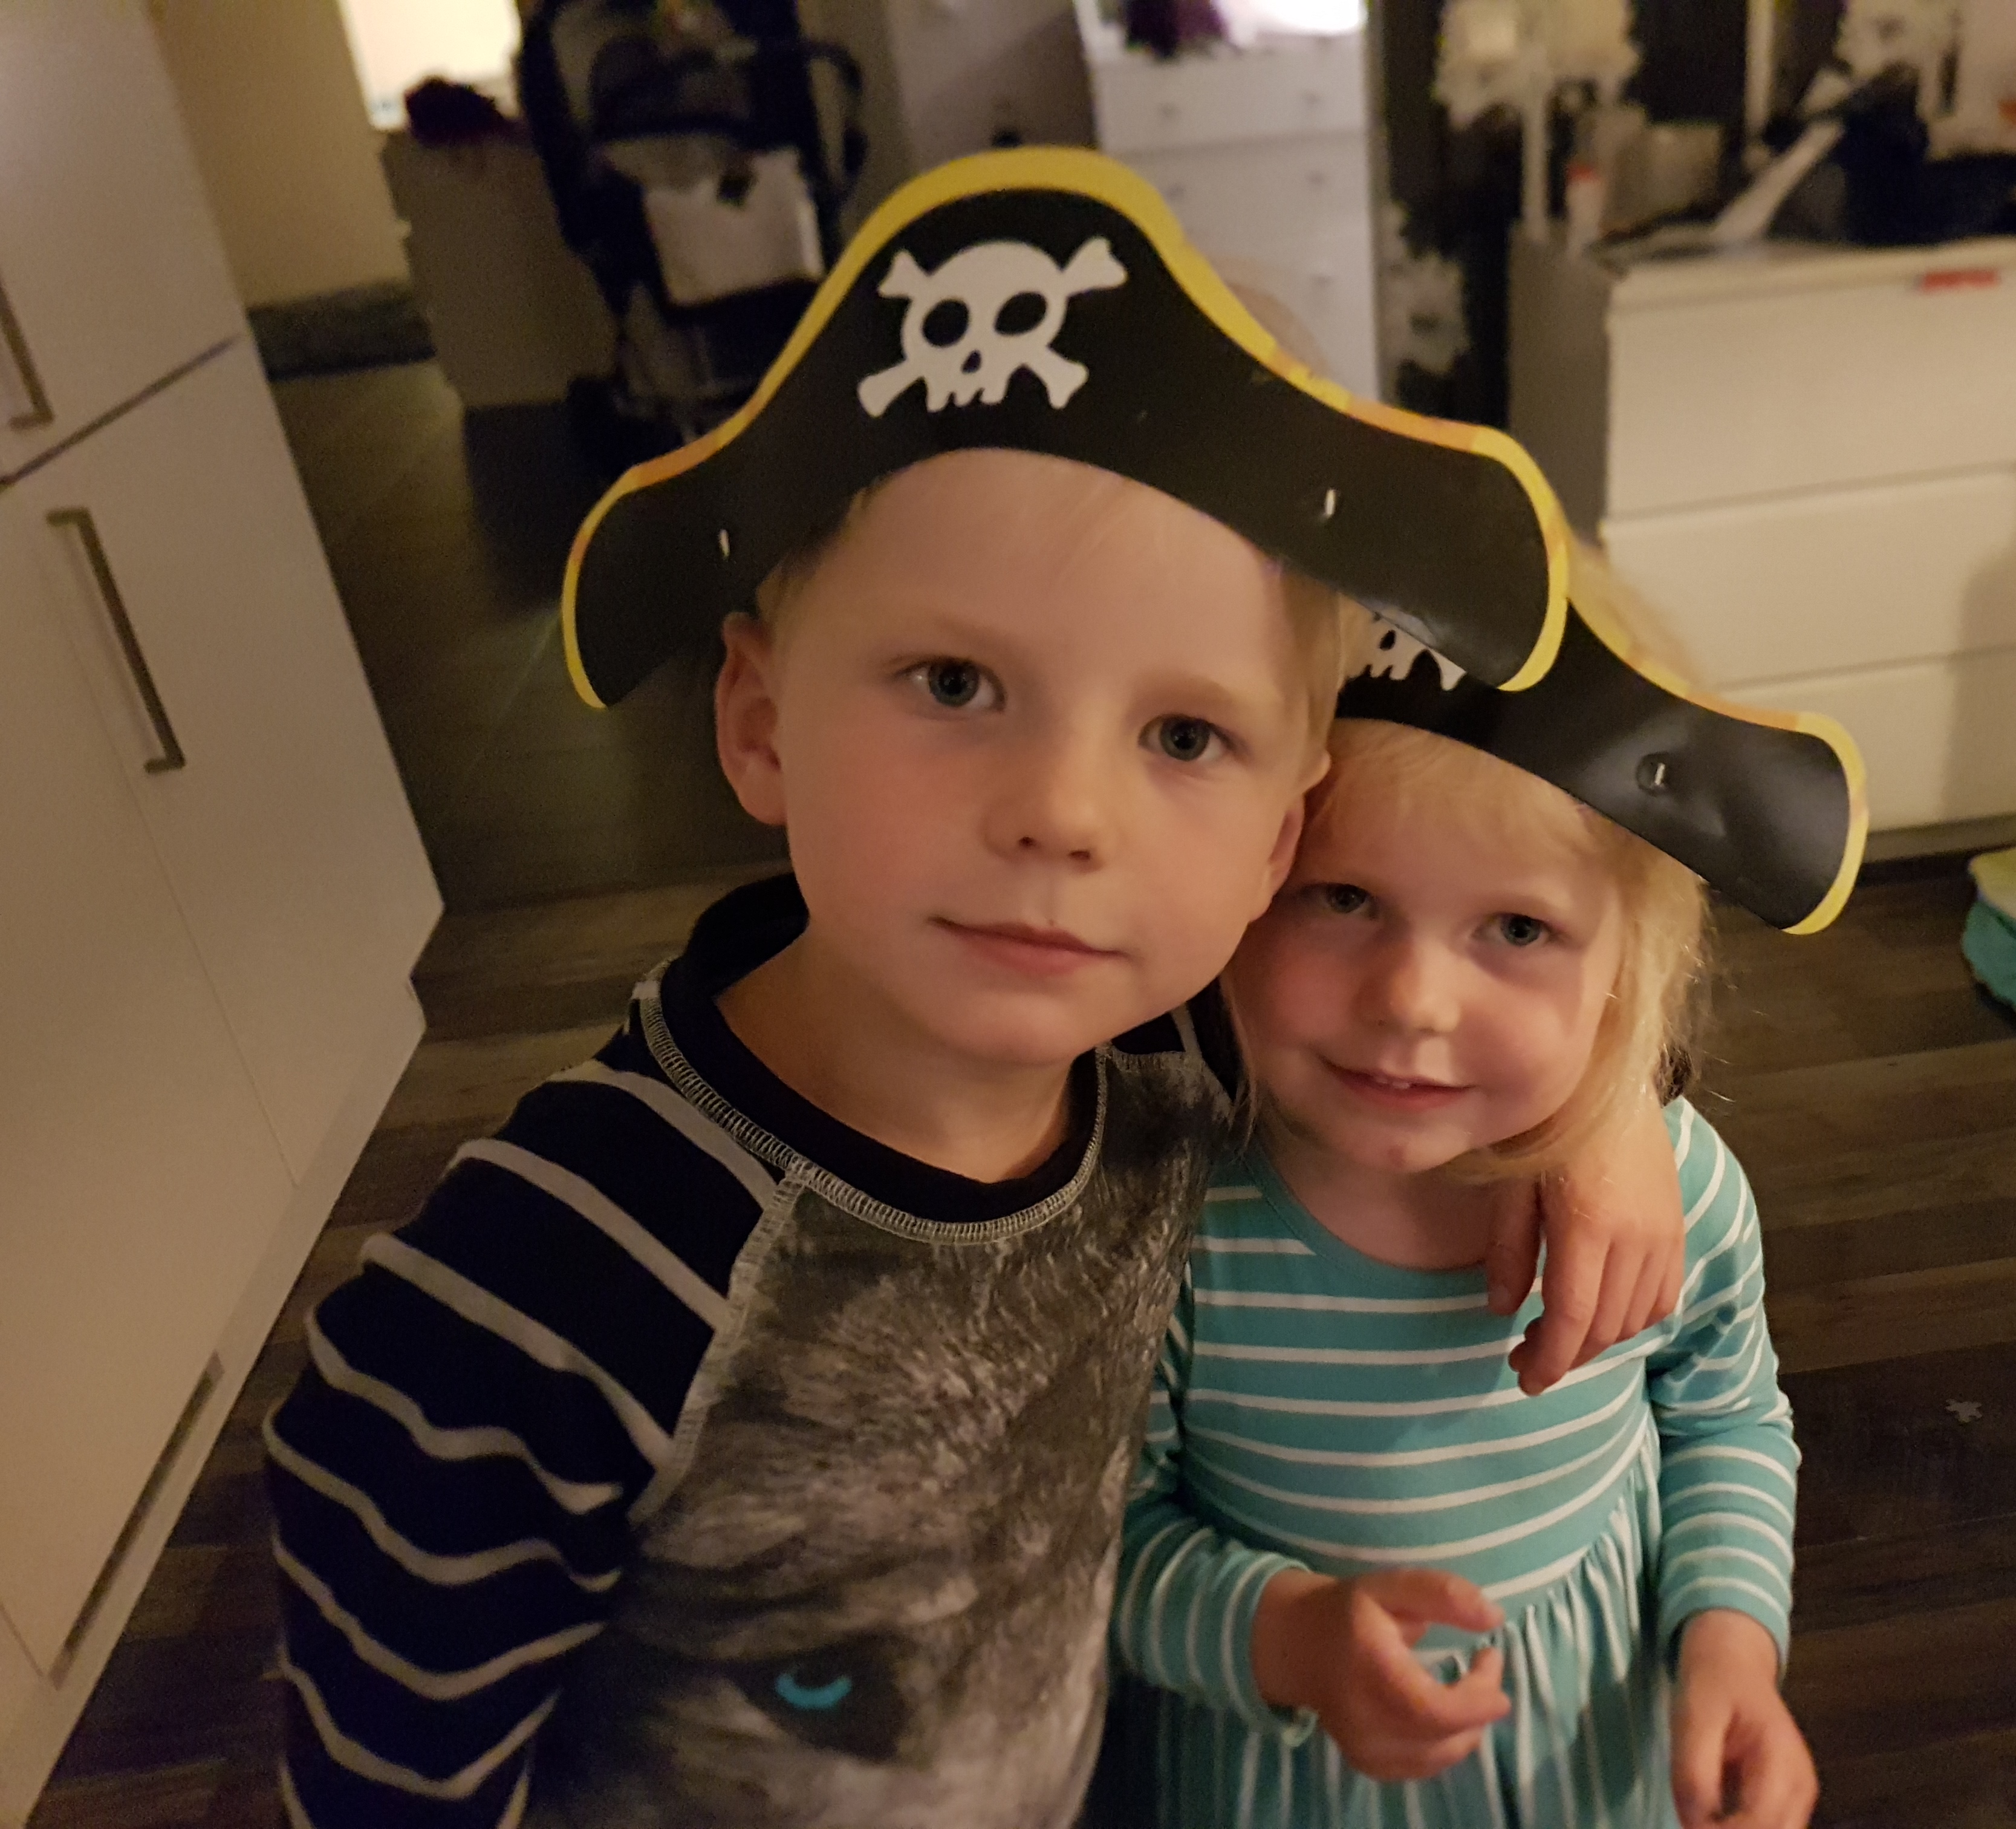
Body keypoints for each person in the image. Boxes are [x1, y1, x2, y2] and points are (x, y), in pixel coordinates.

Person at [261, 153, 1689, 1829]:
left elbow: (1483, 939)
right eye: (953, 682)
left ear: (1277, 836)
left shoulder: (1180, 1051)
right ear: (759, 723)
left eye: (1184, 734)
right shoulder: (539, 1297)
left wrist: (1617, 1115)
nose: (1064, 816)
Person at [1111, 550, 1818, 1828]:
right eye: (1344, 898)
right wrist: (1288, 1635)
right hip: (1287, 1772)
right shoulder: (1172, 1233)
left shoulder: (1683, 1190)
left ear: (1628, 973)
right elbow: (1106, 1540)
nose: (1414, 1002)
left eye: (1518, 929)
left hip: (1595, 1752)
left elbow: (1726, 1424)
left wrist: (1730, 1645)